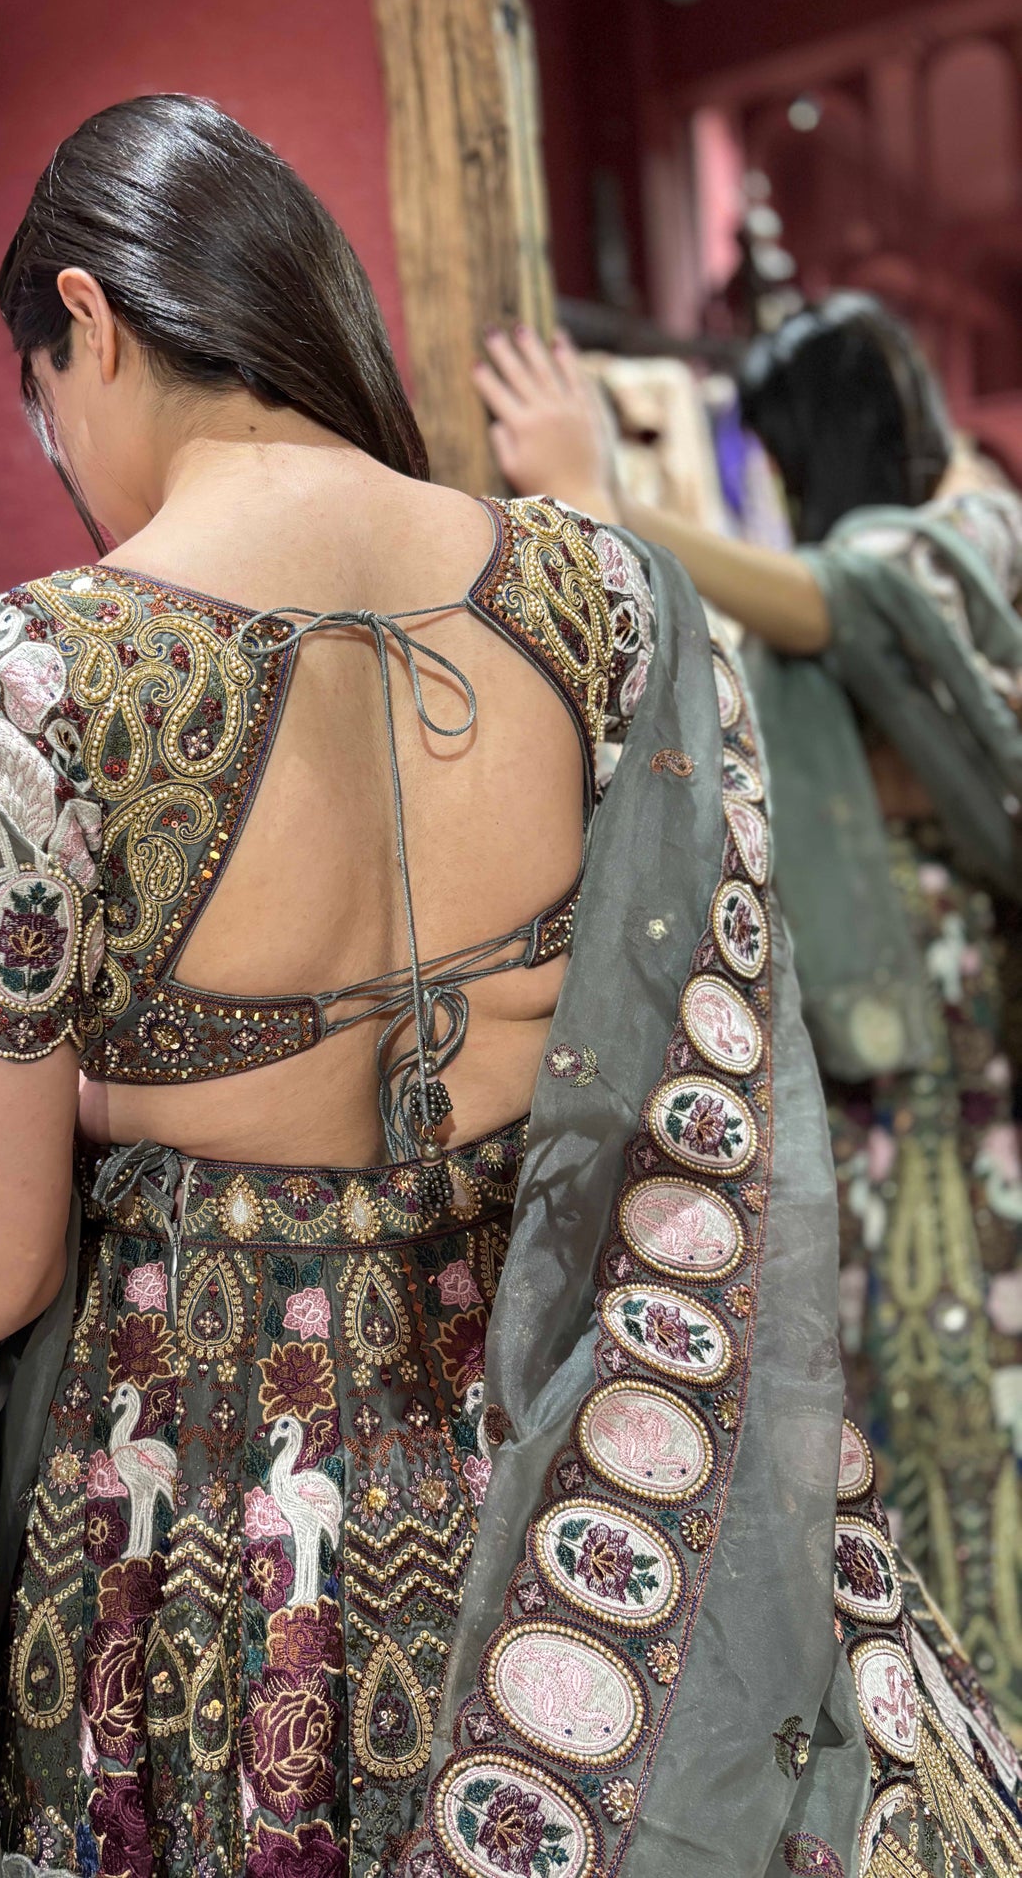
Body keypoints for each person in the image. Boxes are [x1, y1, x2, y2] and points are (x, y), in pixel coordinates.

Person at [0, 108, 1021, 1878]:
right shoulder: (604, 598)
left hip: (209, 1526)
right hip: (580, 1480)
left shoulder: (35, 676)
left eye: (40, 390)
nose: (57, 444)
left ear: (94, 317)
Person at [474, 296, 1022, 1739]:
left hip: (951, 1076)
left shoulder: (965, 532)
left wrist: (609, 498)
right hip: (902, 1078)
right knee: (916, 1377)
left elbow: (841, 598)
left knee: (969, 1371)